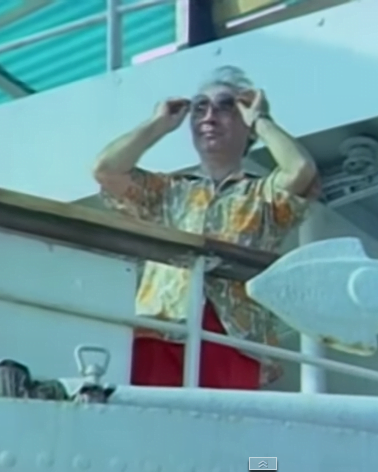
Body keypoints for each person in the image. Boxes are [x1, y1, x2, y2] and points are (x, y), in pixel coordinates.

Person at [93, 66, 318, 390]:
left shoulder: (264, 195)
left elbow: (300, 169)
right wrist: (158, 124)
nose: (209, 117)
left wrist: (261, 119)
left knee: (222, 420)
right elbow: (106, 169)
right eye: (200, 108)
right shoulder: (167, 191)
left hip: (235, 338)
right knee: (151, 416)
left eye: (225, 107)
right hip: (160, 328)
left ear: (247, 126)